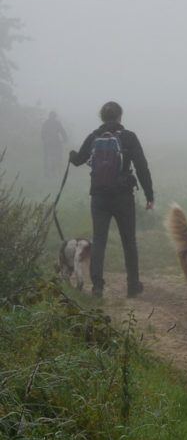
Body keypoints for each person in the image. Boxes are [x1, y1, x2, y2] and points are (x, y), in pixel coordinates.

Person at [70, 101, 154, 298]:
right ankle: (133, 285)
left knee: (99, 241)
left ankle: (97, 286)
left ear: (102, 117)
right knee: (129, 241)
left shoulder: (94, 137)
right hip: (123, 196)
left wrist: (71, 155)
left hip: (99, 197)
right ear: (120, 117)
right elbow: (142, 166)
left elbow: (78, 160)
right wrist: (149, 195)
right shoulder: (129, 137)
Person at [41, 110, 68, 176]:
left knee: (46, 156)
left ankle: (47, 171)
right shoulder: (57, 123)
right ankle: (57, 170)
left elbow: (42, 133)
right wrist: (65, 139)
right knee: (58, 155)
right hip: (55, 141)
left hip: (49, 142)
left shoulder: (46, 123)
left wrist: (44, 139)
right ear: (55, 116)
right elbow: (63, 131)